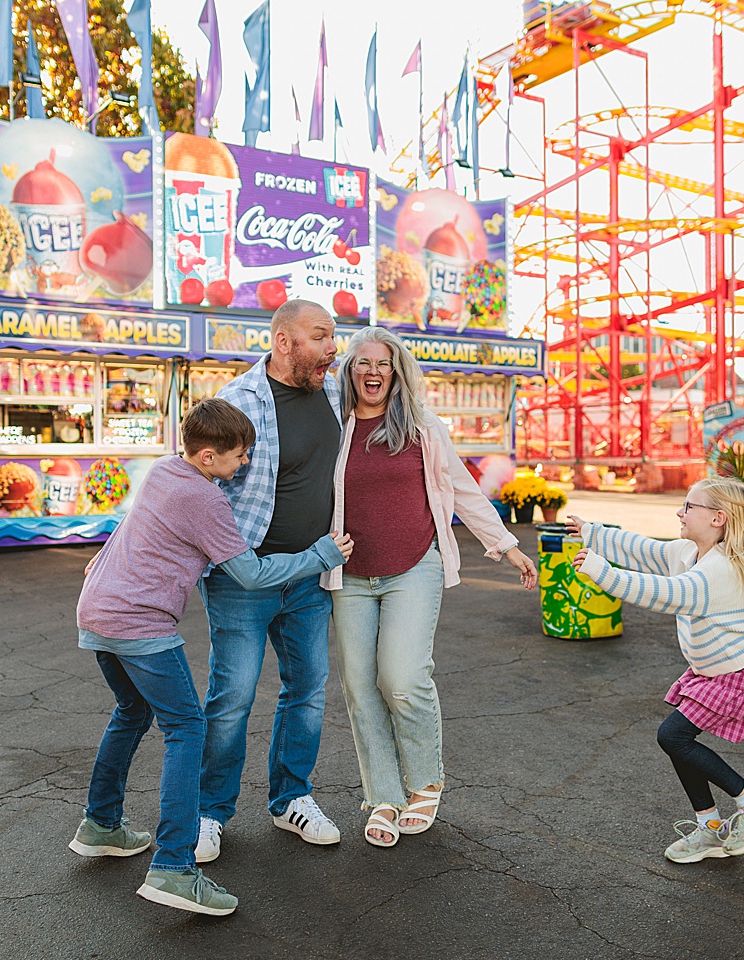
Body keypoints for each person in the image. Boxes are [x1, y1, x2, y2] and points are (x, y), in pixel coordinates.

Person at [71, 398, 353, 916]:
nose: (244, 464)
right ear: (207, 456)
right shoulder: (206, 500)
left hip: (97, 610)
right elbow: (251, 574)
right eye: (239, 456)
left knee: (132, 712)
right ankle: (174, 868)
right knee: (187, 728)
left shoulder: (164, 470)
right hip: (140, 622)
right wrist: (320, 555)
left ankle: (101, 824)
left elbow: (131, 526)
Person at [325, 326, 538, 847]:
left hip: (414, 567)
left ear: (396, 372)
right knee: (360, 688)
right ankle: (383, 796)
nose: (373, 372)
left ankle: (425, 781)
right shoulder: (335, 425)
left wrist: (506, 546)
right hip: (349, 575)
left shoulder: (423, 427)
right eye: (363, 363)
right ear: (350, 371)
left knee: (402, 677)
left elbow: (462, 490)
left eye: (383, 363)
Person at [567, 477, 744, 863]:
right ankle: (710, 828)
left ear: (718, 518)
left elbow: (665, 594)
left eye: (689, 507)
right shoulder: (691, 551)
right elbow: (645, 550)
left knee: (674, 735)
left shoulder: (719, 569)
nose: (679, 512)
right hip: (716, 669)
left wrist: (602, 571)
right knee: (677, 738)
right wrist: (593, 533)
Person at [197, 299, 345, 862]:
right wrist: (122, 547)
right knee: (232, 697)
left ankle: (291, 799)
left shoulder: (335, 393)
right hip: (243, 578)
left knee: (307, 691)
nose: (332, 346)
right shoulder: (238, 400)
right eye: (320, 335)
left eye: (334, 335)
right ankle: (209, 812)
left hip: (310, 573)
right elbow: (192, 481)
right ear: (284, 341)